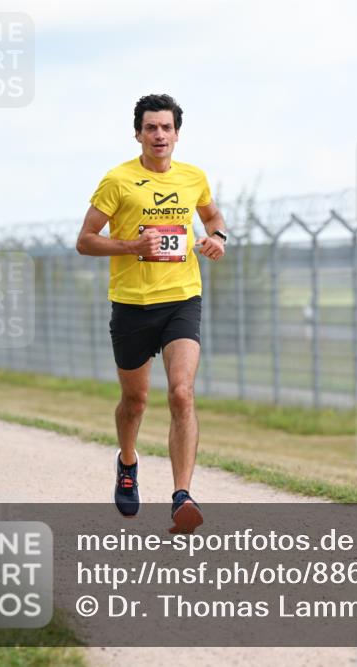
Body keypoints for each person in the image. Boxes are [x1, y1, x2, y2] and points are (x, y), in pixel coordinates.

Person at [76, 94, 227, 534]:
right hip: (131, 305)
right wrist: (130, 246)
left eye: (166, 127)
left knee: (182, 393)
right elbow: (85, 240)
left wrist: (218, 237)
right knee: (135, 401)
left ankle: (182, 496)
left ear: (177, 133)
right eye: (150, 128)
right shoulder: (118, 181)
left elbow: (213, 216)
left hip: (182, 298)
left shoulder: (193, 177)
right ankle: (128, 462)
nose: (159, 135)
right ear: (138, 133)